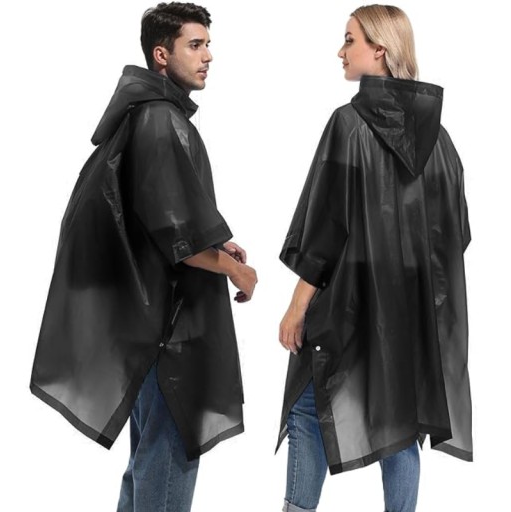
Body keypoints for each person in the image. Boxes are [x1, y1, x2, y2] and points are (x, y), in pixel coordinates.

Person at [30, 3, 257, 511]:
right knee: (169, 459)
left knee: (149, 459)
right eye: (195, 45)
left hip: (148, 325)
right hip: (168, 330)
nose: (208, 56)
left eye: (208, 45)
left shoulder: (145, 113)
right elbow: (177, 238)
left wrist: (216, 242)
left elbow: (154, 213)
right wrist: (238, 271)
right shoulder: (160, 119)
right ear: (161, 55)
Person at [277, 5, 472, 512]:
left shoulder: (348, 123)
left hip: (347, 304)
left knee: (306, 409)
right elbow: (456, 234)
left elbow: (324, 229)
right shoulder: (441, 139)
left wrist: (297, 307)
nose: (340, 51)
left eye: (350, 40)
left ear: (379, 50)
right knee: (401, 425)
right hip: (409, 315)